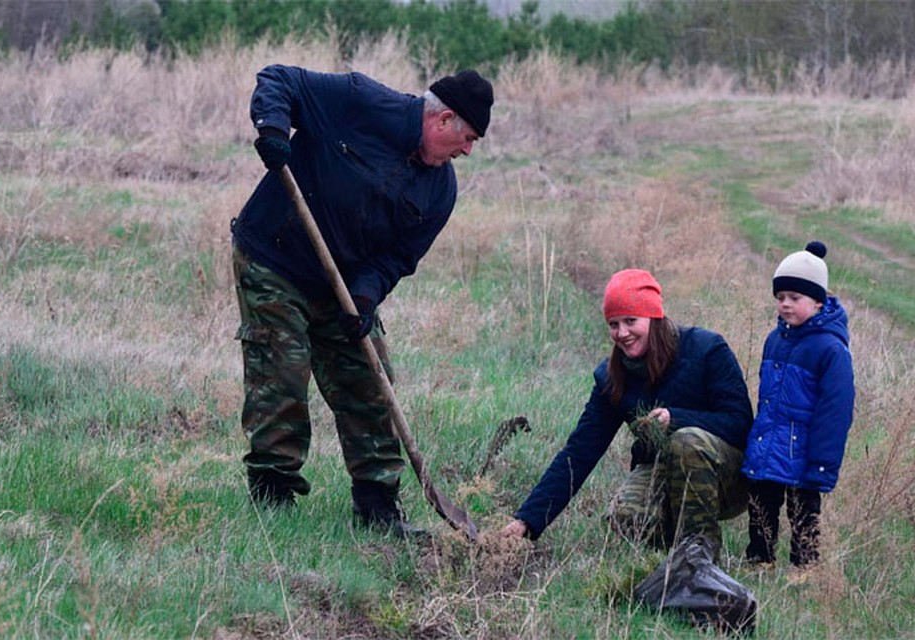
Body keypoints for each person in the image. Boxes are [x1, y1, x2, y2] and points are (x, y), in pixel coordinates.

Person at [230, 64, 493, 537]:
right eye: (468, 137)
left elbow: (397, 257)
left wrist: (366, 296)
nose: (468, 151)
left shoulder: (440, 190)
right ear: (443, 119)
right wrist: (273, 127)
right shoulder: (359, 102)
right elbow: (278, 80)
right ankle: (273, 495)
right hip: (275, 256)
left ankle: (378, 507)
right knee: (283, 371)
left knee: (371, 383)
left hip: (342, 287)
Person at [501, 269, 753, 554]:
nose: (622, 333)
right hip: (663, 471)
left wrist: (676, 419)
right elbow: (579, 453)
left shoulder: (707, 349)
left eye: (631, 321)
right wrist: (528, 521)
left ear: (653, 317)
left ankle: (699, 559)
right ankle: (674, 547)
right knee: (626, 519)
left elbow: (741, 423)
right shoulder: (612, 378)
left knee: (687, 441)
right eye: (613, 324)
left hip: (727, 480)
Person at [742, 241, 854, 575]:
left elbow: (835, 412)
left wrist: (822, 463)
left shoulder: (831, 350)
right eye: (780, 298)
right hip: (768, 443)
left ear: (818, 301)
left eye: (795, 298)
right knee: (760, 503)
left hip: (805, 450)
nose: (786, 304)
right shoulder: (775, 340)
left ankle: (805, 569)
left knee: (803, 511)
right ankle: (760, 560)